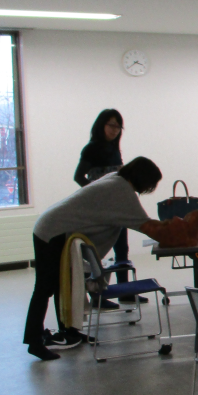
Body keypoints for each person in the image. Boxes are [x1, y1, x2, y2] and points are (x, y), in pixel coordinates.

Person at [24, 157, 163, 360]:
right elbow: (148, 226)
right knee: (45, 288)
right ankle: (34, 341)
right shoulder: (122, 190)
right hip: (53, 231)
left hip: (53, 226)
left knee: (64, 285)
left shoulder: (116, 179)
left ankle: (69, 332)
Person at [74, 109, 138, 303]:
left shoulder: (114, 149)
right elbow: (78, 176)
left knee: (122, 249)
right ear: (101, 125)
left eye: (118, 127)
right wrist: (96, 194)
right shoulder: (91, 149)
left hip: (117, 207)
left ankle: (124, 292)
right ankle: (96, 295)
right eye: (111, 125)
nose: (115, 130)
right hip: (99, 209)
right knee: (96, 252)